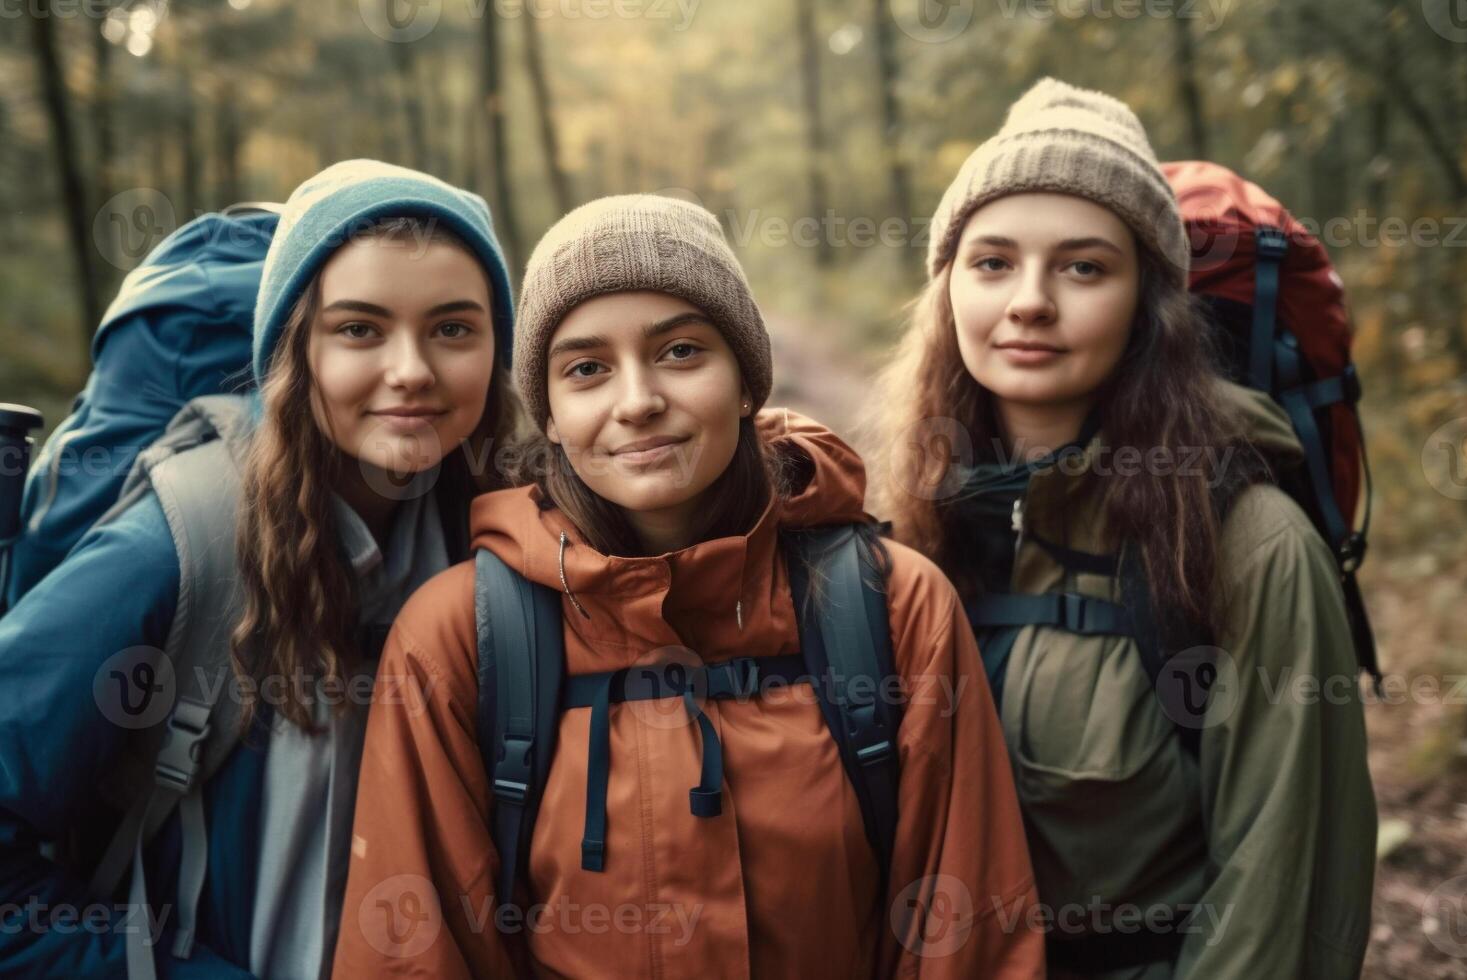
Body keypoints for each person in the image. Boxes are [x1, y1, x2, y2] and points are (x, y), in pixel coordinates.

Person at [331, 194, 1045, 978]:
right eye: (587, 369)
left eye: (680, 352)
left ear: (746, 383)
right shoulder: (461, 636)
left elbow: (969, 945)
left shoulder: (895, 608)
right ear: (554, 417)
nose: (637, 401)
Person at [870, 78, 1377, 978]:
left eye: (1083, 267)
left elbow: (1280, 893)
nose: (1029, 301)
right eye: (992, 263)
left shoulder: (1248, 545)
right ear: (948, 290)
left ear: (1149, 303)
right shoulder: (907, 529)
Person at [0, 159, 518, 979]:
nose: (412, 369)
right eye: (359, 329)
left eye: (453, 328)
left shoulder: (496, 526)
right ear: (293, 349)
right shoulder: (186, 542)